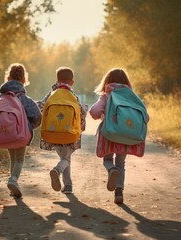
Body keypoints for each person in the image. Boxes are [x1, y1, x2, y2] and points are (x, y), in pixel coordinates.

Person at [0, 63, 42, 198]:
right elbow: (37, 116)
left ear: (8, 78)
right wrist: (29, 127)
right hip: (20, 135)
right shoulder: (23, 98)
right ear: (24, 80)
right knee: (19, 159)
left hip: (4, 135)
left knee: (13, 158)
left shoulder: (0, 98)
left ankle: (12, 186)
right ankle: (13, 180)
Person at [89, 68, 148, 204]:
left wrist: (102, 115)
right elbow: (146, 117)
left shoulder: (107, 95)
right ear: (126, 81)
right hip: (127, 135)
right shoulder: (132, 96)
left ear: (107, 81)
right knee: (121, 163)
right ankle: (119, 192)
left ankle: (111, 169)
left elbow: (94, 112)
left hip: (110, 134)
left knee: (107, 159)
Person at [37, 66, 88, 194]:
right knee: (66, 159)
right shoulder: (73, 96)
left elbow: (40, 107)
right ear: (72, 82)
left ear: (57, 80)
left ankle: (68, 185)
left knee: (65, 158)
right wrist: (82, 127)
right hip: (69, 134)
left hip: (53, 133)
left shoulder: (51, 94)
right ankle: (57, 170)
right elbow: (80, 113)